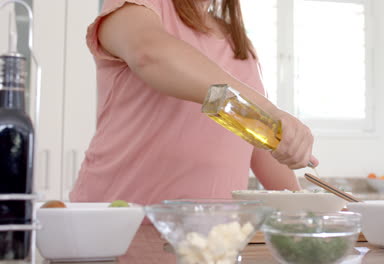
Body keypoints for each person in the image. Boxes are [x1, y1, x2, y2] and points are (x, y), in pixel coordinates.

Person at [70, 0, 318, 262]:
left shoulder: (237, 41)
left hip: (209, 245)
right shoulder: (137, 7)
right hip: (115, 234)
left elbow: (257, 143)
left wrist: (306, 209)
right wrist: (269, 111)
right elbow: (149, 53)